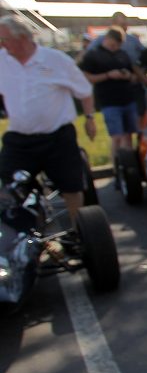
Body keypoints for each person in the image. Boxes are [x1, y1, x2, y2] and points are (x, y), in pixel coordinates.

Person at [0, 16, 97, 222]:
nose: (2, 44)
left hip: (57, 138)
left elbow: (85, 92)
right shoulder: (2, 61)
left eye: (5, 39)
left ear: (23, 38)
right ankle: (25, 235)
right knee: (10, 188)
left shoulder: (56, 60)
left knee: (71, 188)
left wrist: (89, 118)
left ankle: (78, 232)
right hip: (20, 139)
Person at [80, 28, 137, 165]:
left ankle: (130, 167)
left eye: (118, 45)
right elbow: (85, 77)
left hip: (128, 99)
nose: (115, 47)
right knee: (116, 137)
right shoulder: (93, 55)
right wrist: (108, 75)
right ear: (107, 39)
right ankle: (117, 167)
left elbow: (133, 74)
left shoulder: (122, 54)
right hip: (109, 102)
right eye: (113, 44)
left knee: (129, 135)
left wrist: (127, 75)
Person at [89, 11, 147, 129]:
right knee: (119, 129)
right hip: (112, 90)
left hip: (133, 86)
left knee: (139, 118)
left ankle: (140, 142)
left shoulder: (133, 40)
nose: (124, 27)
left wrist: (141, 74)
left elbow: (146, 58)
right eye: (121, 24)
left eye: (125, 24)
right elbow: (88, 57)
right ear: (113, 24)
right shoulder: (101, 40)